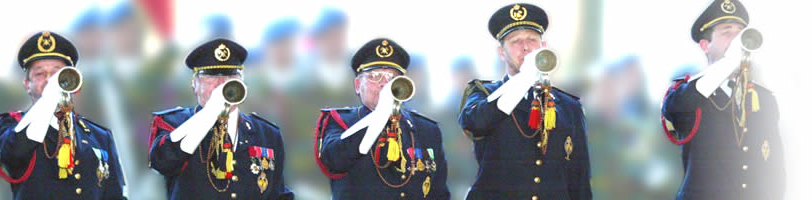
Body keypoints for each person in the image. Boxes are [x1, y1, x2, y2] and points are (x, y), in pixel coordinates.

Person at [458, 3, 591, 199]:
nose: (526, 48)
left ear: (543, 47)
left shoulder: (569, 106)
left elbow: (579, 178)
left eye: (532, 40)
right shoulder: (484, 93)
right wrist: (525, 78)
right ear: (501, 53)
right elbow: (475, 123)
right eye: (515, 42)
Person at [661, 0, 784, 199]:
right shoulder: (687, 93)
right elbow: (677, 109)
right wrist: (729, 62)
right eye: (727, 33)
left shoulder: (763, 98)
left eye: (741, 34)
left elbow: (775, 168)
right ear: (704, 45)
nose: (737, 40)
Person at [148, 39, 294, 199]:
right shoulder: (174, 124)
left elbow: (278, 193)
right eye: (212, 76)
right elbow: (162, 163)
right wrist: (210, 112)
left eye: (230, 75)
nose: (222, 84)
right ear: (195, 84)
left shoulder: (267, 133)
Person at [0, 31, 127, 199]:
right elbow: (14, 154)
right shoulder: (10, 125)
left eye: (57, 74)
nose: (49, 81)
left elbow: (115, 194)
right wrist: (50, 96)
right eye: (40, 74)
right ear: (27, 84)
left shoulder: (100, 136)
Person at [314, 38, 450, 199]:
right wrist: (380, 115)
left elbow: (439, 193)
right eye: (375, 76)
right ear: (358, 85)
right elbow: (335, 161)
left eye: (392, 77)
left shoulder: (427, 129)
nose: (384, 84)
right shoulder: (339, 121)